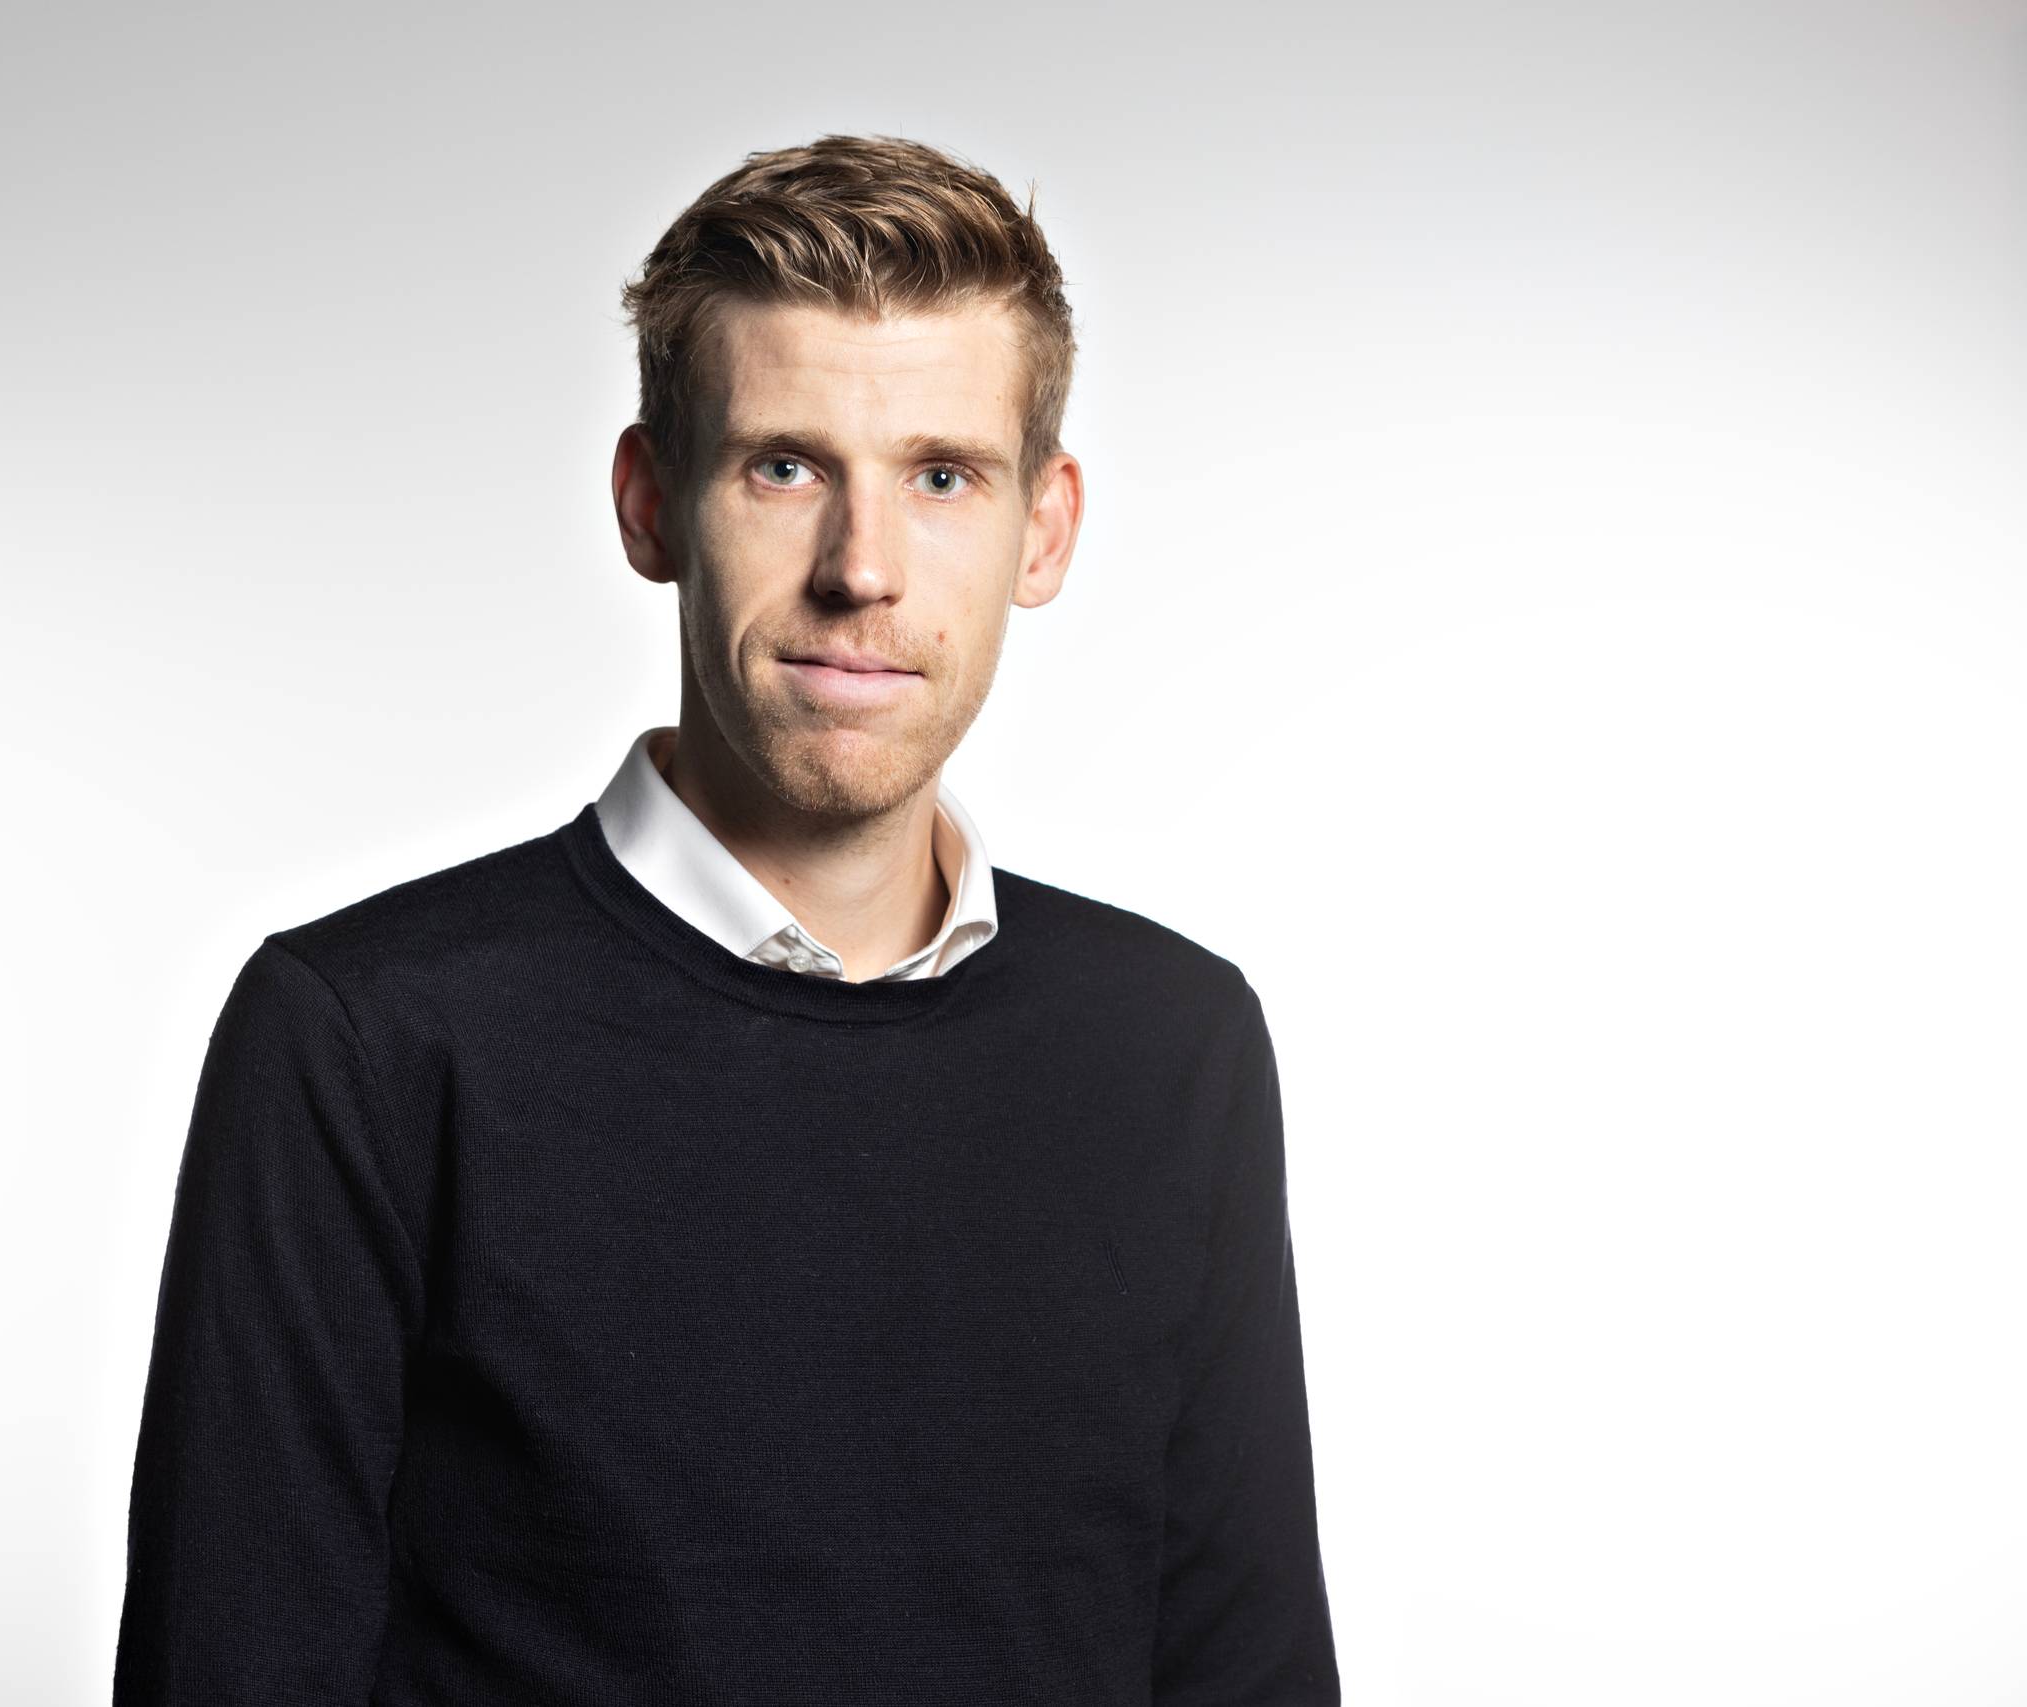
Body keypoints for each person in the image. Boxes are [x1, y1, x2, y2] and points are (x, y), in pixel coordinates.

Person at [113, 132, 1340, 1705]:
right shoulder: (367, 1041)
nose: (863, 569)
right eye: (785, 467)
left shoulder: (1172, 1044)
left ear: (1043, 528)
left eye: (942, 476)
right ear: (650, 505)